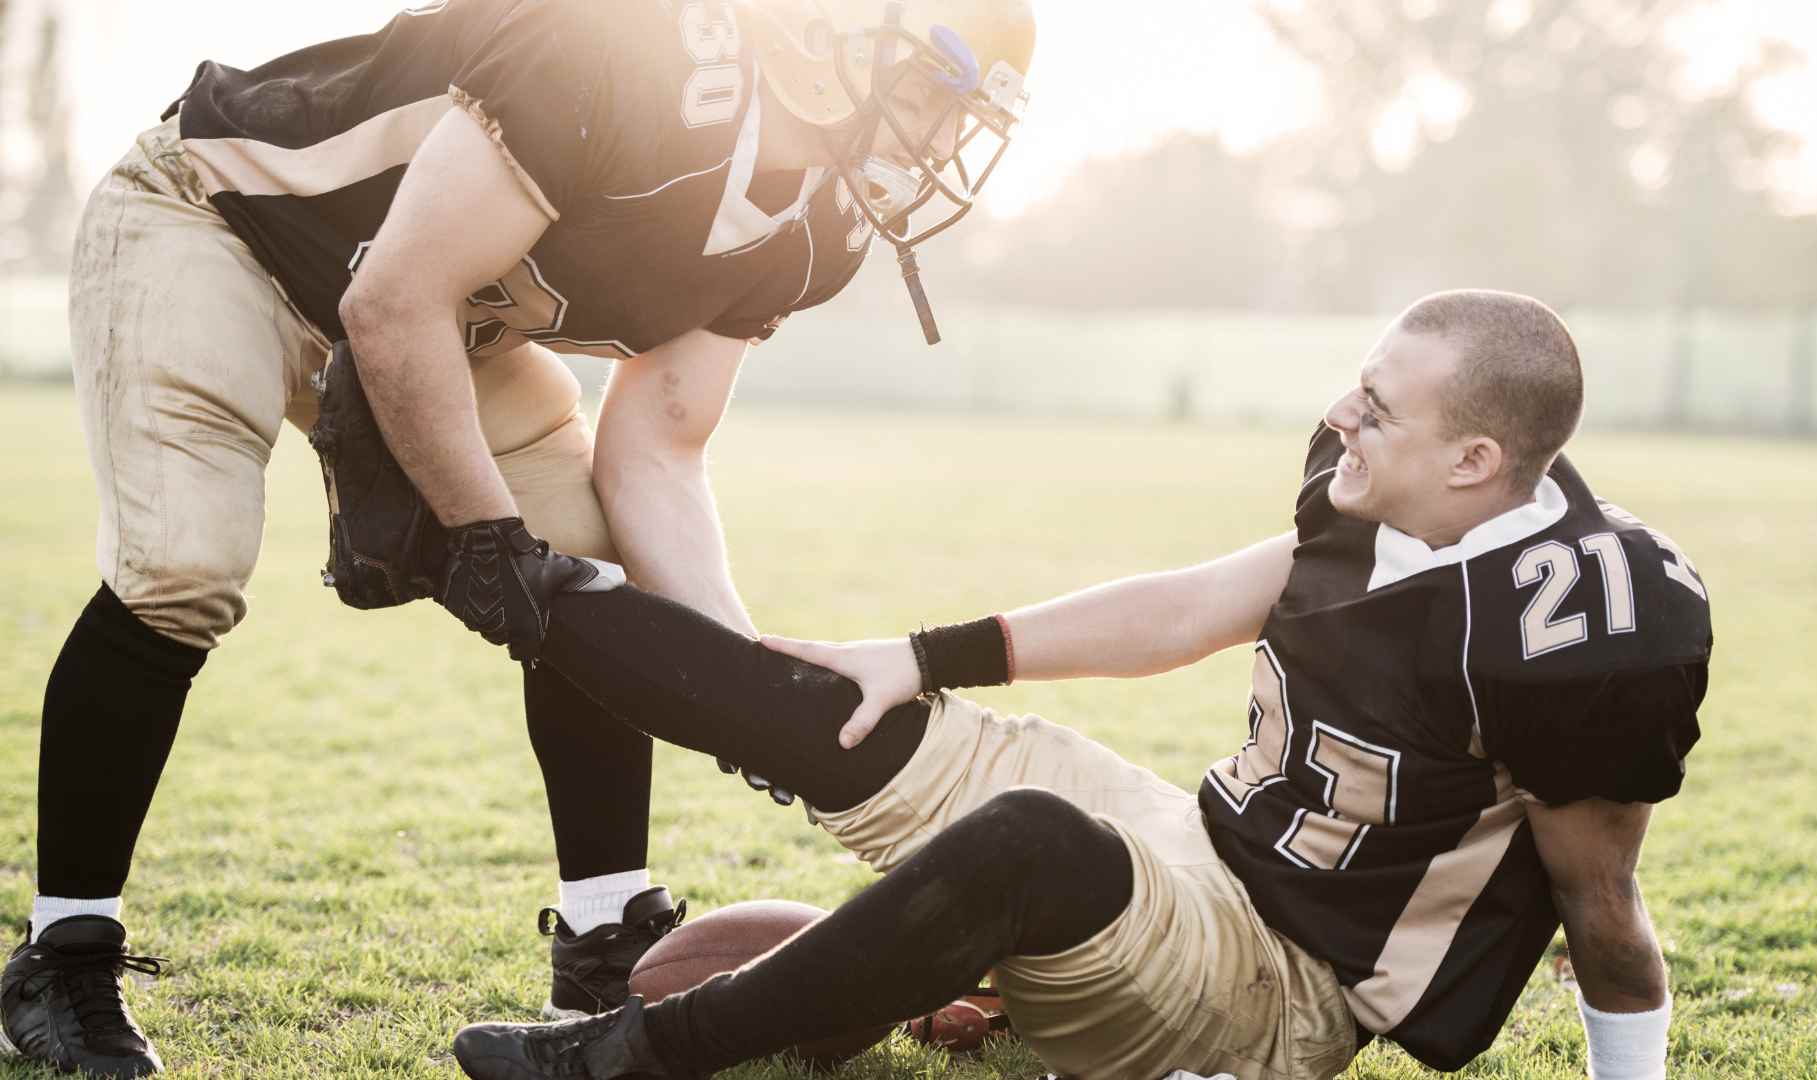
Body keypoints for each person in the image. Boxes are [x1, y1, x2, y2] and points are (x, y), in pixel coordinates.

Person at [0, 1, 1036, 1075]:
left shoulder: (818, 230)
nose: (930, 137)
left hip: (433, 317)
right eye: (929, 85)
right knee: (184, 567)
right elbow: (394, 298)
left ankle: (603, 930)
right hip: (226, 226)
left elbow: (657, 454)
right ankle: (63, 950)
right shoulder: (632, 52)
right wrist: (483, 534)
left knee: (583, 565)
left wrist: (749, 686)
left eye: (956, 114)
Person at [442, 290, 1712, 1080]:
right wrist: (922, 657)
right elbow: (1182, 611)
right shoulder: (1372, 494)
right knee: (846, 698)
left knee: (1031, 844)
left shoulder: (1579, 625)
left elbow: (1602, 902)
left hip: (1281, 994)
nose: (1340, 414)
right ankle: (457, 552)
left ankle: (632, 1054)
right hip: (1198, 845)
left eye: (1378, 406)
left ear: (1476, 461)